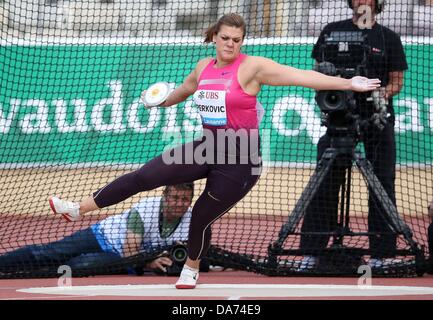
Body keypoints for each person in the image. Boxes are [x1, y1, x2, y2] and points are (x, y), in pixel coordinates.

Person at [48, 13, 381, 289]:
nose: (231, 44)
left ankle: (191, 268)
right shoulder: (203, 66)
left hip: (241, 159)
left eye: (237, 40)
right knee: (145, 176)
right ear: (216, 37)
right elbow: (183, 91)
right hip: (209, 147)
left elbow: (302, 77)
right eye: (226, 38)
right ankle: (78, 208)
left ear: (242, 41)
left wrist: (348, 82)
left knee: (200, 216)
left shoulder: (253, 67)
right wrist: (161, 100)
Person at [299, 0, 408, 270]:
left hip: (376, 120)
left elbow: (397, 80)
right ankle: (311, 252)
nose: (363, 1)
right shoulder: (331, 31)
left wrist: (379, 94)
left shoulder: (388, 38)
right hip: (338, 117)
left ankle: (382, 254)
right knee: (324, 182)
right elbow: (316, 71)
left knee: (382, 182)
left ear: (378, 3)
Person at [0, 183, 195, 276]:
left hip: (120, 260)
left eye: (185, 199)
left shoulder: (192, 220)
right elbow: (130, 250)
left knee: (77, 267)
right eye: (175, 198)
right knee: (50, 252)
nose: (179, 204)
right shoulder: (146, 210)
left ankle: (28, 275)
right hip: (102, 236)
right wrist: (151, 263)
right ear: (164, 196)